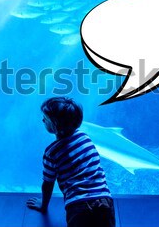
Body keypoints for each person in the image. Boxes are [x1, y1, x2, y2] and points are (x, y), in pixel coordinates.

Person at [27, 97, 116, 227]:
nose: (42, 120)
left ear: (55, 124)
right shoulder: (85, 138)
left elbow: (48, 183)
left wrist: (43, 205)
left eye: (45, 119)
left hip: (78, 206)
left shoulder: (51, 152)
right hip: (104, 201)